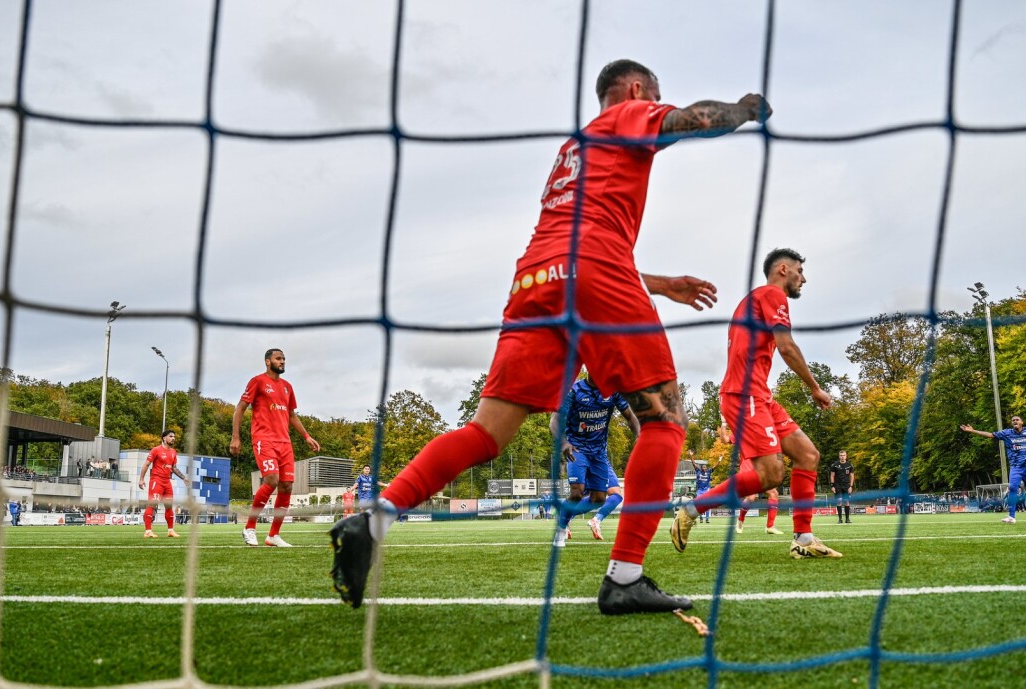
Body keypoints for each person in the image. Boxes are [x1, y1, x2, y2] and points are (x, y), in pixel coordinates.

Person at [329, 59, 770, 614]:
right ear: (636, 91)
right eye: (653, 96)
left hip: (537, 277)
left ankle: (376, 517)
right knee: (666, 419)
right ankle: (625, 577)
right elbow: (689, 120)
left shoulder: (572, 149)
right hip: (596, 271)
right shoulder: (627, 115)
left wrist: (659, 283)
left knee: (487, 432)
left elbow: (578, 239)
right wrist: (745, 111)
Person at [671, 248, 842, 560]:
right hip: (745, 395)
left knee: (808, 455)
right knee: (771, 474)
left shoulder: (754, 301)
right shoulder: (772, 296)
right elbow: (786, 346)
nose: (803, 278)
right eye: (799, 271)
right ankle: (692, 509)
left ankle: (803, 538)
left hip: (759, 395)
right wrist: (815, 388)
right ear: (782, 269)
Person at [230, 349, 322, 547]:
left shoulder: (288, 387)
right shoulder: (257, 381)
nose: (282, 361)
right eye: (278, 358)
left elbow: (292, 415)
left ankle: (273, 535)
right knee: (272, 479)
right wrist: (235, 437)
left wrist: (306, 436)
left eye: (284, 359)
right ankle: (249, 527)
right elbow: (240, 409)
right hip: (264, 439)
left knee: (287, 486)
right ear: (267, 361)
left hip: (284, 442)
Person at [549, 374, 640, 546]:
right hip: (577, 449)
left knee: (599, 499)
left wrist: (639, 436)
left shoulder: (613, 391)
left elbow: (630, 417)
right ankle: (561, 529)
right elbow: (554, 420)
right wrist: (563, 443)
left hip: (599, 453)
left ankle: (567, 513)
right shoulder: (574, 391)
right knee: (577, 492)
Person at [960, 417, 1026, 524]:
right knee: (1012, 488)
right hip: (1016, 467)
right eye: (1013, 420)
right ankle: (1011, 517)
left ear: (1022, 422)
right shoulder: (1007, 433)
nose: (1015, 421)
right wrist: (973, 431)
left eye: (1017, 419)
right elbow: (990, 435)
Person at [138, 430, 188, 539]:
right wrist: (141, 479)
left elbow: (174, 468)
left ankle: (170, 530)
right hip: (156, 480)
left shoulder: (174, 452)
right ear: (164, 438)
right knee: (152, 504)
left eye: (174, 436)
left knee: (169, 506)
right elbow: (146, 464)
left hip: (167, 481)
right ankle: (147, 531)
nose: (173, 438)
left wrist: (184, 478)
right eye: (171, 436)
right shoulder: (156, 450)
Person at [828, 450, 855, 524]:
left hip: (846, 485)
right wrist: (832, 485)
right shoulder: (835, 465)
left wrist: (851, 486)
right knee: (839, 501)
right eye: (841, 455)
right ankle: (840, 519)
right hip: (838, 485)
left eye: (844, 455)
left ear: (846, 456)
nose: (842, 457)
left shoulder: (849, 465)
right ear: (839, 456)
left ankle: (847, 519)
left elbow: (852, 475)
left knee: (846, 501)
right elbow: (832, 475)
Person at [693, 456, 714, 524]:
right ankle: (701, 517)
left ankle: (707, 518)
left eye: (705, 467)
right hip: (699, 490)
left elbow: (715, 467)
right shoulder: (698, 471)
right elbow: (694, 464)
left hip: (706, 490)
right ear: (701, 468)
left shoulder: (709, 472)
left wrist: (719, 460)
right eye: (703, 467)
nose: (704, 468)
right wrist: (691, 456)